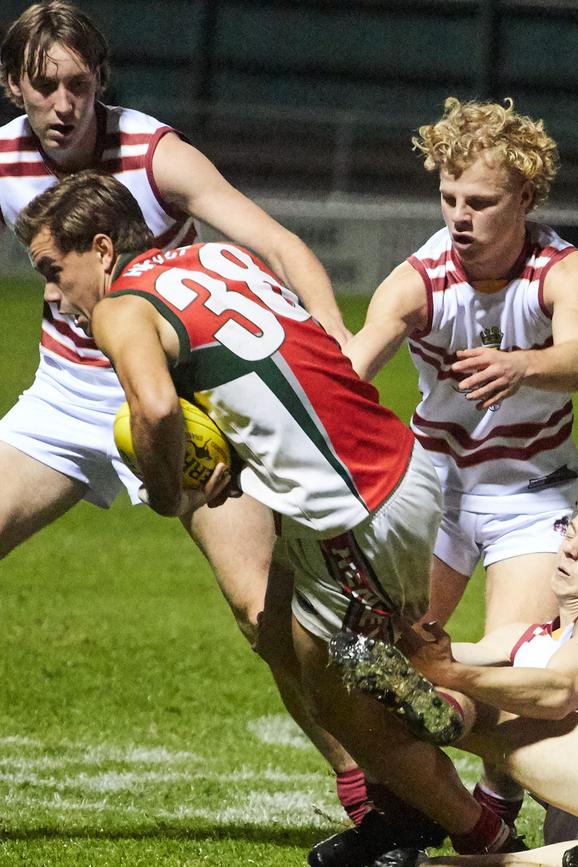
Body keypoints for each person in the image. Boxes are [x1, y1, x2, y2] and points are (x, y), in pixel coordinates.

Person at [16, 169, 539, 863]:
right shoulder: (220, 257)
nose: (53, 292)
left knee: (350, 701)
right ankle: (401, 809)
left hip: (354, 511)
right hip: (390, 471)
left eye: (55, 269)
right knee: (281, 630)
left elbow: (156, 407)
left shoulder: (121, 309)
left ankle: (491, 839)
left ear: (104, 248)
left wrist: (169, 490)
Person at [0, 0, 371, 827]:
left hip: (187, 399)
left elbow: (276, 242)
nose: (65, 104)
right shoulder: (2, 157)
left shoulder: (155, 153)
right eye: (45, 86)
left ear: (100, 81)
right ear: (11, 85)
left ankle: (369, 785)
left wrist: (341, 336)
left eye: (80, 84)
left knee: (261, 610)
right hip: (68, 395)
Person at [343, 96, 578, 828]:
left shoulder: (561, 269)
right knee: (384, 661)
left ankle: (497, 798)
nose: (459, 216)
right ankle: (408, 806)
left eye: (480, 201)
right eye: (448, 197)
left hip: (532, 497)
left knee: (508, 664)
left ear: (524, 195)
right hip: (435, 495)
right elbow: (355, 367)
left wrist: (522, 366)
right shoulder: (419, 278)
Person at [334, 485, 578, 867]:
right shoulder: (524, 638)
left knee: (478, 696)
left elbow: (561, 691)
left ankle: (443, 724)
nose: (570, 548)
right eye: (569, 533)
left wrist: (450, 674)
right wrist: (376, 623)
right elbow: (431, 661)